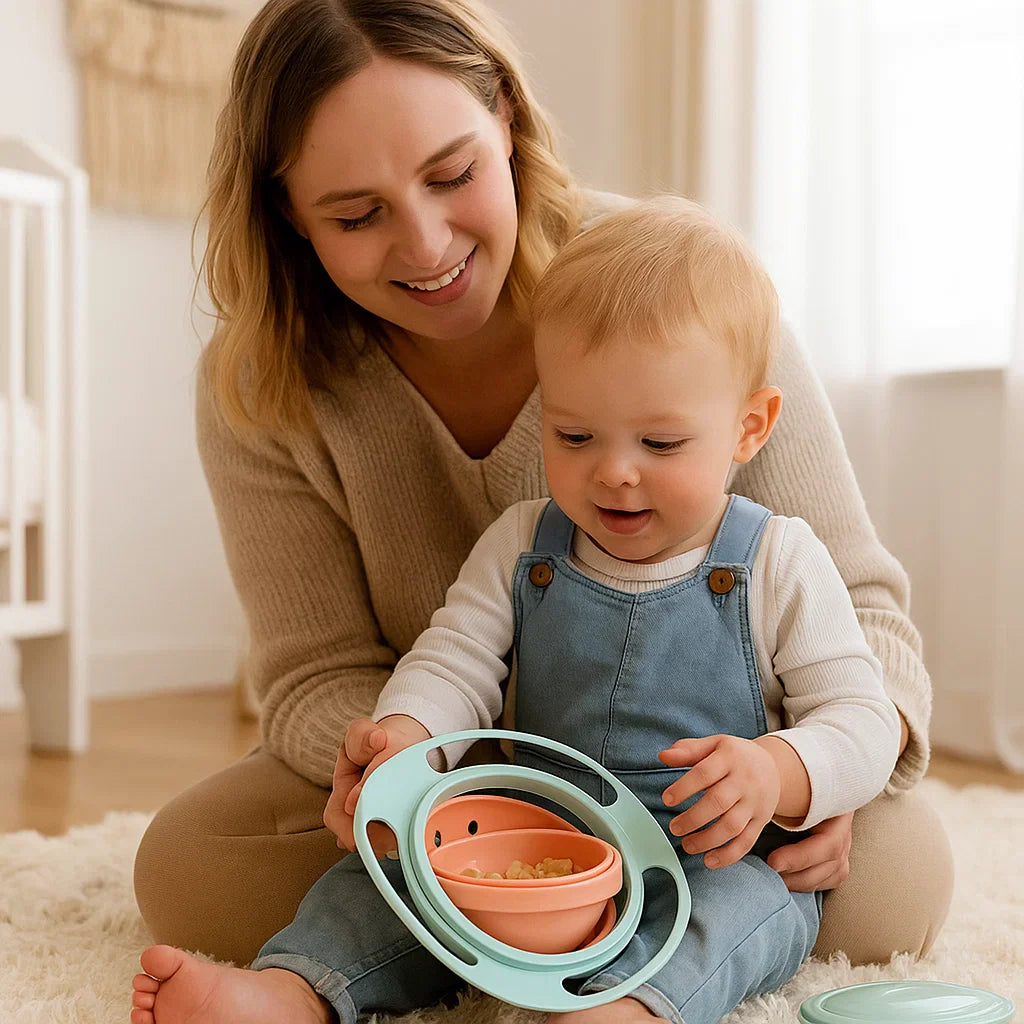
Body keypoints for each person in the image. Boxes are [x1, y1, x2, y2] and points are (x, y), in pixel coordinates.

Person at [132, 0, 951, 981]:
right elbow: (316, 677)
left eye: (453, 174)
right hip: (457, 779)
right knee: (187, 870)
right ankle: (511, 926)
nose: (427, 245)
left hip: (709, 804)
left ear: (508, 122)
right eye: (357, 215)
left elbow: (861, 609)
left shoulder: (678, 294)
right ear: (290, 219)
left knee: (898, 875)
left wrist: (807, 778)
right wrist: (421, 771)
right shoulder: (263, 382)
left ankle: (547, 938)